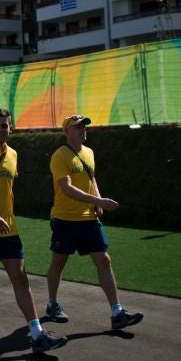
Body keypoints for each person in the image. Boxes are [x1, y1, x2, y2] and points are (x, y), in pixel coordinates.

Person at [0, 108, 67, 353]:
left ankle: (37, 333)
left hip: (8, 229)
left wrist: (2, 217)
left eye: (4, 125)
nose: (0, 129)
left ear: (11, 128)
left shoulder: (13, 155)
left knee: (20, 278)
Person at [45, 114, 143, 330]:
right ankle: (52, 304)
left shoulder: (89, 152)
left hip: (88, 219)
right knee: (59, 263)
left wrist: (97, 199)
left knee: (104, 261)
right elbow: (67, 188)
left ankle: (117, 313)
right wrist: (97, 200)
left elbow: (92, 178)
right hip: (65, 219)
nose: (82, 129)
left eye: (83, 126)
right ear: (66, 132)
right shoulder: (59, 156)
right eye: (77, 127)